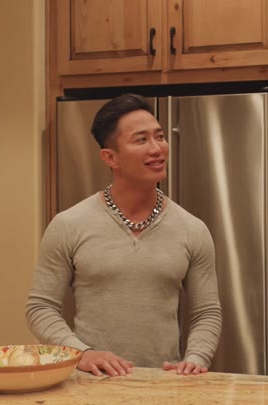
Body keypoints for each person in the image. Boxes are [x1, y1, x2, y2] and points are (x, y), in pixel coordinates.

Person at [26, 94, 222, 377]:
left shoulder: (192, 229)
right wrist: (82, 353)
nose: (157, 148)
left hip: (164, 384)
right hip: (91, 383)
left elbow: (207, 312)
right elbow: (40, 307)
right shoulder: (68, 224)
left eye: (160, 137)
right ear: (111, 157)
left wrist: (196, 358)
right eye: (141, 140)